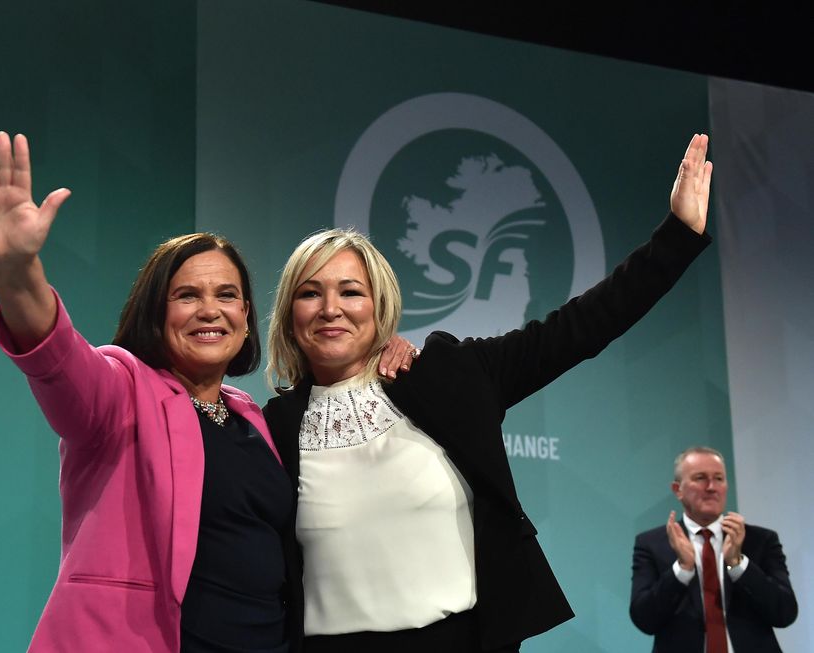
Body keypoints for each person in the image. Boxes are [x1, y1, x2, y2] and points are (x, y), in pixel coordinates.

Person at [262, 134, 716, 652]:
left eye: (350, 291)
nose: (330, 308)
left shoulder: (447, 375)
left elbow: (580, 327)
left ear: (380, 305)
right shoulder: (271, 427)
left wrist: (677, 237)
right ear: (290, 315)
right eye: (310, 293)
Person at [0, 131, 418, 652]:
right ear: (156, 313)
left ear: (245, 317)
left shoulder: (255, 418)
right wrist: (16, 270)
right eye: (187, 295)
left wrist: (389, 351)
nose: (210, 310)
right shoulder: (121, 390)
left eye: (227, 295)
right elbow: (56, 356)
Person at [630, 446, 798, 652]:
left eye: (719, 478)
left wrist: (738, 565)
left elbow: (785, 613)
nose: (711, 487)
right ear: (677, 489)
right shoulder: (652, 544)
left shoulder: (760, 540)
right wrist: (682, 570)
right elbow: (644, 620)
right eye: (700, 478)